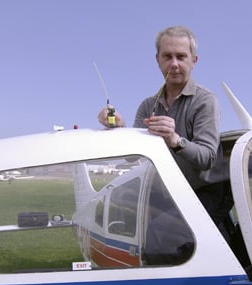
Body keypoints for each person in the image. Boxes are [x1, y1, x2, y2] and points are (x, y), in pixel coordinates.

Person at [98, 26, 232, 239]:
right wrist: (119, 129)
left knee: (159, 238)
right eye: (167, 56)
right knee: (137, 225)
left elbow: (207, 158)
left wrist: (175, 139)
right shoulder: (148, 105)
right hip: (171, 190)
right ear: (158, 59)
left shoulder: (205, 101)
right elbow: (134, 157)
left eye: (181, 56)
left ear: (194, 60)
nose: (174, 64)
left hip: (208, 189)